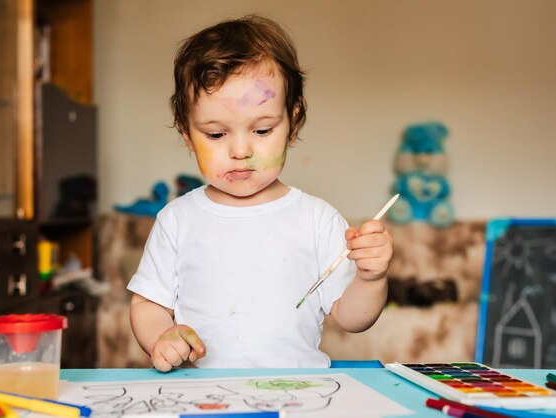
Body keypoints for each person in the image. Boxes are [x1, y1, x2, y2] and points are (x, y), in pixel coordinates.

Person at [128, 15, 393, 371]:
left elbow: (352, 318)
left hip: (299, 394)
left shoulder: (317, 219)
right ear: (187, 133)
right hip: (206, 397)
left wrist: (371, 278)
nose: (240, 151)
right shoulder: (176, 219)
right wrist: (161, 337)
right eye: (216, 135)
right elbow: (149, 305)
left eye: (263, 129)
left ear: (293, 124)